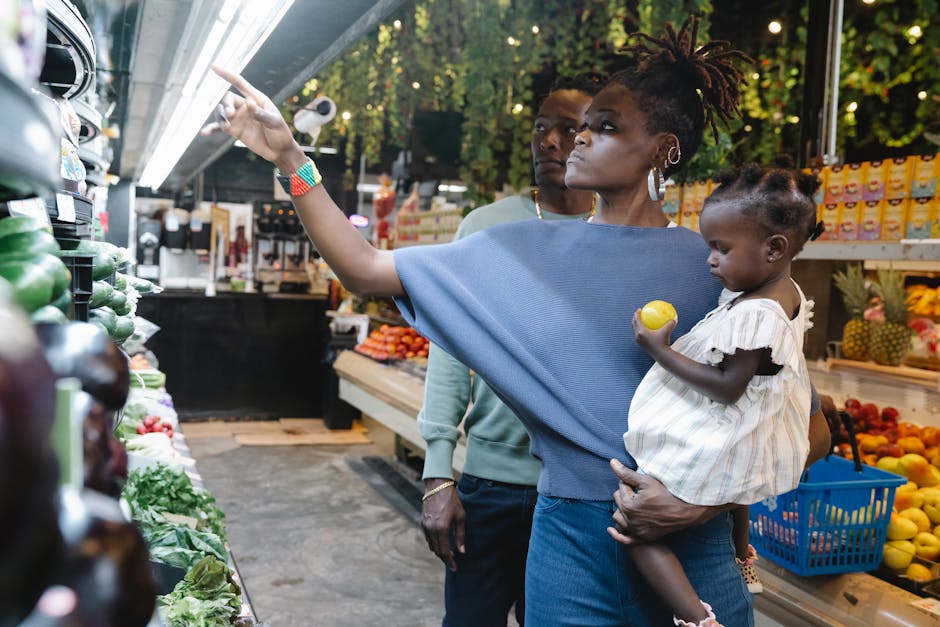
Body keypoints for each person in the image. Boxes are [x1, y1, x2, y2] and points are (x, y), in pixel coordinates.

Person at [203, 16, 832, 625]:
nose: (579, 138)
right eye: (582, 126)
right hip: (570, 548)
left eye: (604, 127)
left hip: (695, 554)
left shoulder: (719, 271)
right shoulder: (514, 251)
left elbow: (807, 432)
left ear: (662, 151)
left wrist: (702, 503)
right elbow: (364, 267)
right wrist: (288, 155)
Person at [419, 73, 603, 627]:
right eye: (541, 128)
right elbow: (450, 350)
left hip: (583, 493)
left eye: (568, 130)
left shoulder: (624, 234)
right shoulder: (486, 228)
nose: (549, 141)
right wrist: (437, 474)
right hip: (490, 488)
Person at [613, 163, 822, 627]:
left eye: (720, 249)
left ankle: (696, 617)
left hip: (720, 436)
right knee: (736, 501)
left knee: (634, 523)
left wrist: (659, 350)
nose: (709, 260)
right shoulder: (777, 296)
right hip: (744, 438)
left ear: (774, 248)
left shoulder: (758, 313)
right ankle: (742, 561)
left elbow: (729, 386)